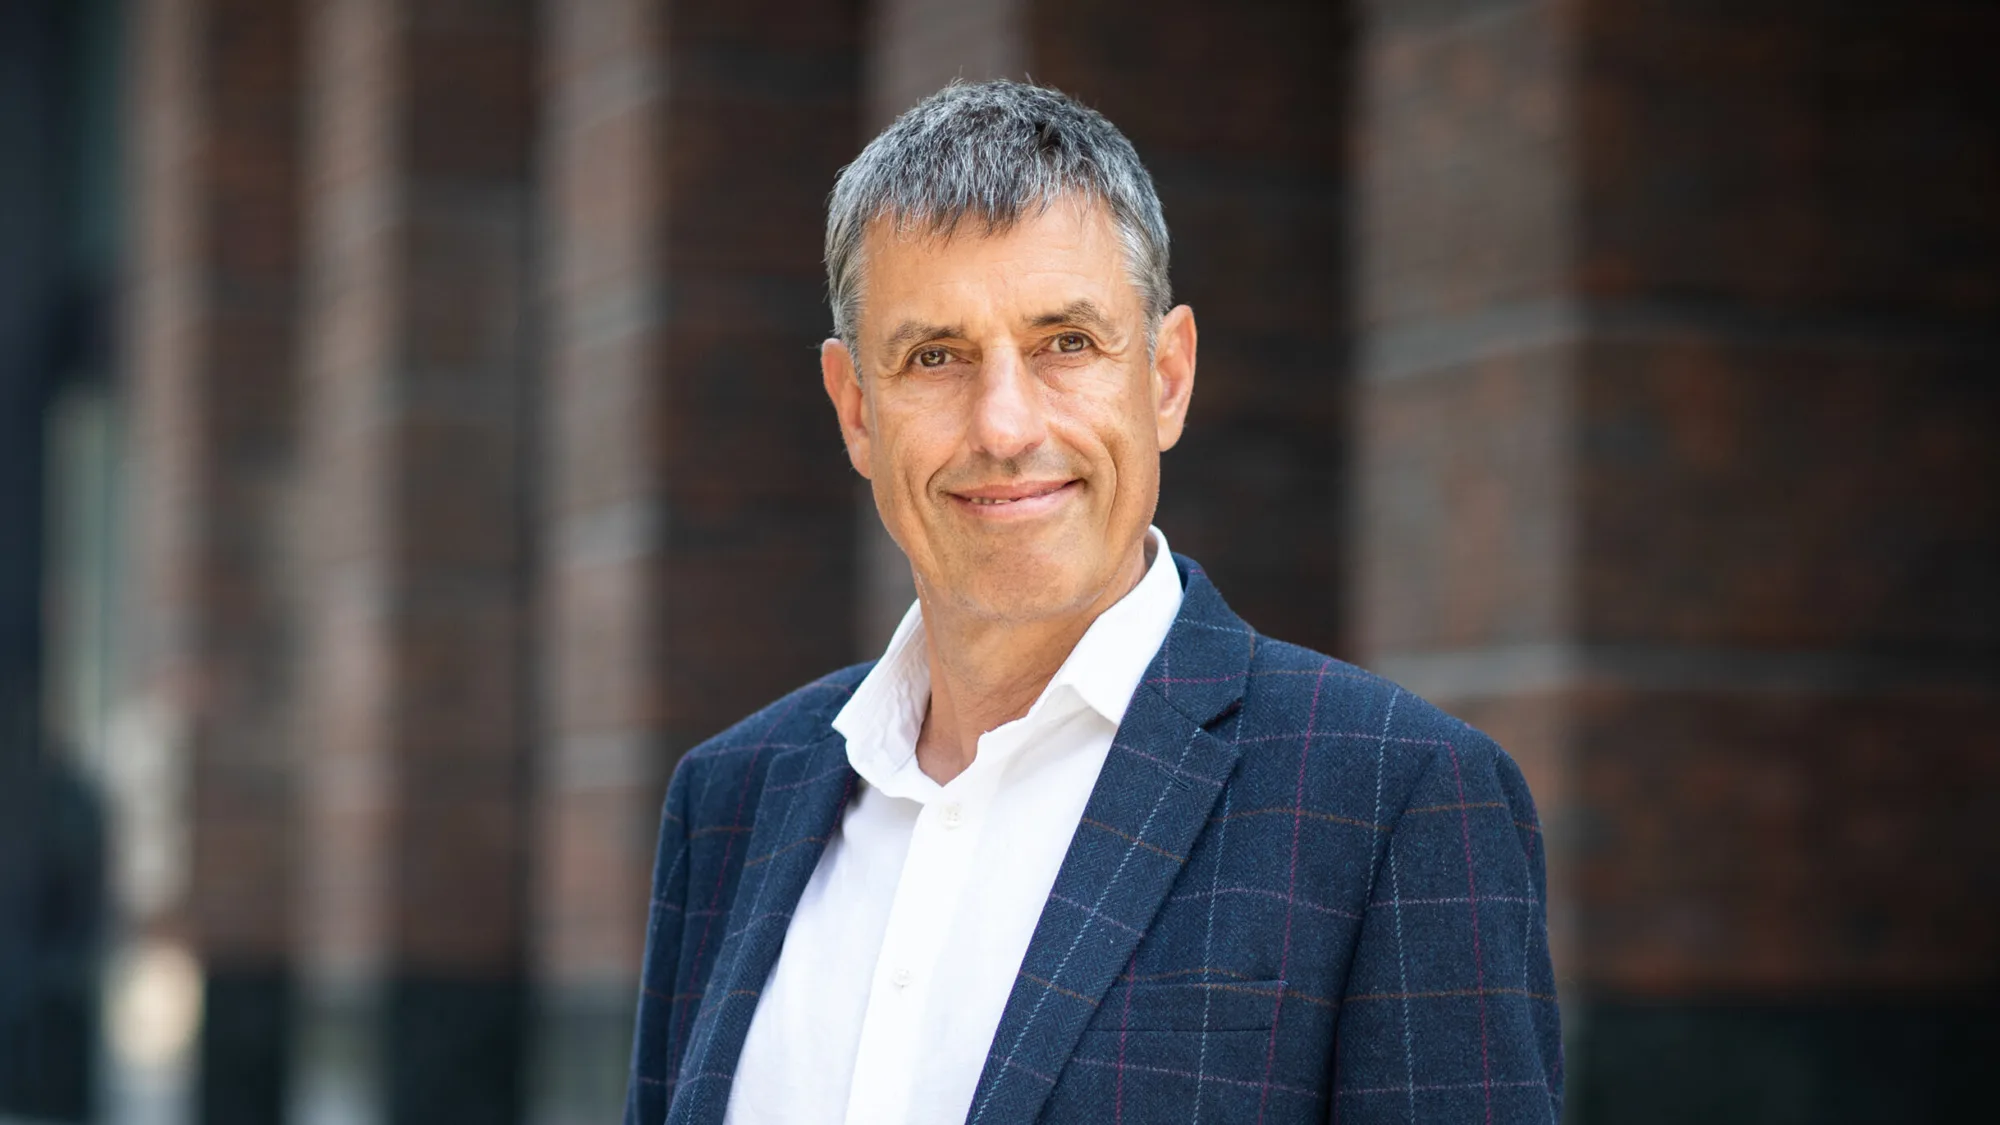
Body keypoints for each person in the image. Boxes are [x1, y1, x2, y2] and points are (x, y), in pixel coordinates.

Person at [624, 80, 1561, 1125]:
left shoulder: (1397, 799)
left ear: (1164, 377)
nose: (1005, 423)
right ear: (854, 409)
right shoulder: (727, 803)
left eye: (1065, 343)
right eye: (934, 357)